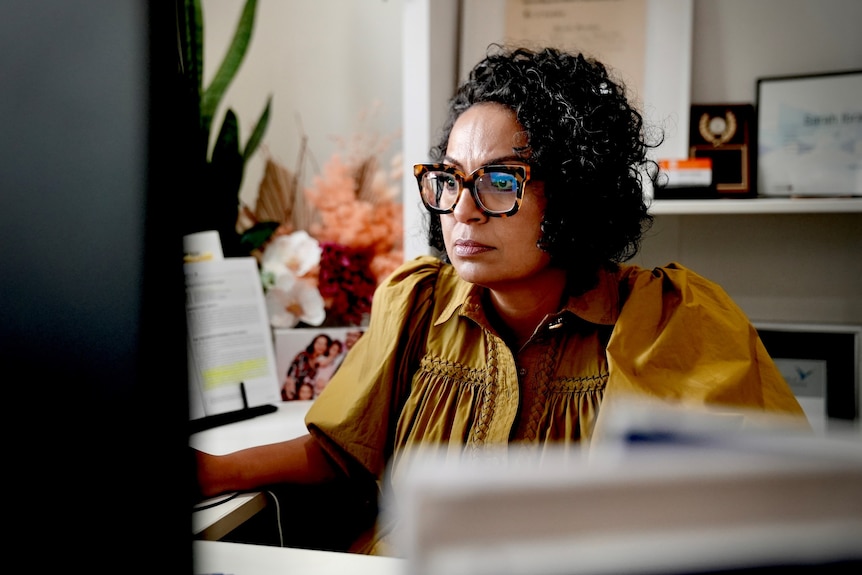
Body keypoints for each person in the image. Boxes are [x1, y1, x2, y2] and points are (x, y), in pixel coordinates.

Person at [194, 45, 807, 556]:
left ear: (573, 192)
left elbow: (761, 516)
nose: (462, 209)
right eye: (451, 179)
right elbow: (341, 451)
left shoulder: (671, 321)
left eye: (499, 180)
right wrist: (212, 472)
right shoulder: (416, 304)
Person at [281, 333, 332, 401]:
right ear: (313, 343)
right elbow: (291, 376)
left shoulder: (320, 362)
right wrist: (291, 395)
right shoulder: (303, 356)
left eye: (324, 344)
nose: (321, 346)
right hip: (292, 395)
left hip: (307, 397)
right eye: (319, 343)